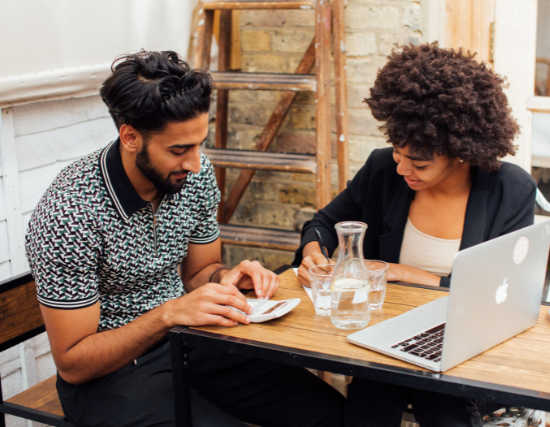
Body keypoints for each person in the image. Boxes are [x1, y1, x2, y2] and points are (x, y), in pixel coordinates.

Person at [25, 50, 345, 427]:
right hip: (110, 376)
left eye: (199, 144)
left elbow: (201, 271)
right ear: (129, 137)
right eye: (179, 150)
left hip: (192, 341)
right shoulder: (70, 212)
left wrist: (224, 279)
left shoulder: (194, 174)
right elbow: (75, 364)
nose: (195, 163)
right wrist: (167, 315)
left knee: (333, 416)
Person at [294, 43, 536, 427]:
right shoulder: (382, 170)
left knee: (437, 399)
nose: (403, 167)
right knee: (375, 394)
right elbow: (323, 222)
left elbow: (507, 296)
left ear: (460, 151)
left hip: (464, 346)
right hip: (385, 337)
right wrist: (313, 251)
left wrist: (403, 272)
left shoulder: (510, 191)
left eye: (419, 162)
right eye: (397, 151)